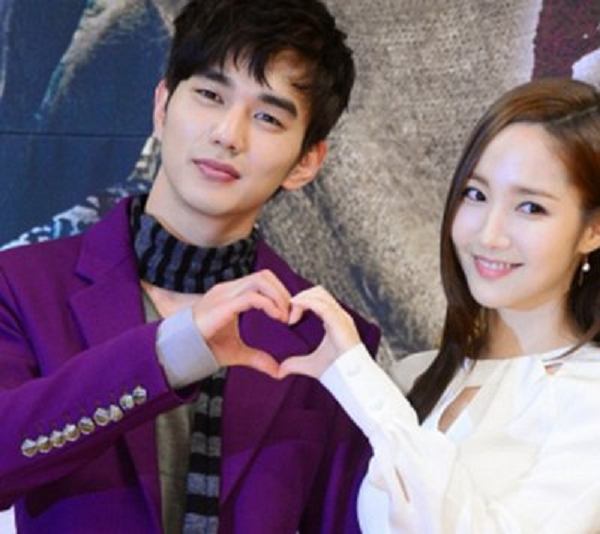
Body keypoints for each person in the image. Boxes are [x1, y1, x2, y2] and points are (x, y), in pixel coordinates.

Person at [0, 0, 380, 532]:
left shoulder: (326, 337)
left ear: (306, 161)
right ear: (162, 105)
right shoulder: (24, 284)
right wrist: (172, 351)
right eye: (209, 95)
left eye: (268, 117)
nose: (228, 133)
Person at [275, 77, 600, 532]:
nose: (489, 233)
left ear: (593, 230)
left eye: (530, 208)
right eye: (476, 194)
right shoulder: (415, 377)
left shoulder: (589, 396)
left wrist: (363, 387)